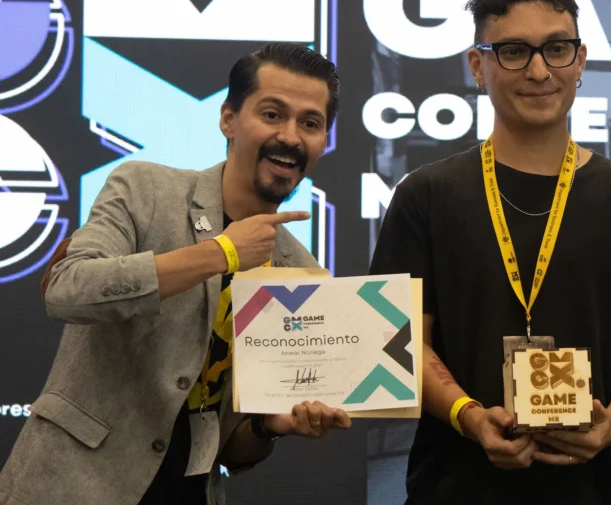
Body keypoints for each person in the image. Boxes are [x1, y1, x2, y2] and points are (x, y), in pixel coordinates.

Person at [368, 0, 611, 505]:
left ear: (581, 60)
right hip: (457, 486)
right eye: (513, 51)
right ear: (478, 65)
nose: (539, 70)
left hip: (602, 489)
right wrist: (470, 416)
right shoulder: (425, 196)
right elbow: (404, 342)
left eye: (557, 48)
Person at [0, 43, 352, 505]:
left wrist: (270, 426)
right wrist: (221, 252)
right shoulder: (145, 188)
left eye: (310, 123)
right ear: (228, 119)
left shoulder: (302, 275)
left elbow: (233, 445)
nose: (290, 136)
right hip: (70, 484)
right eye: (272, 114)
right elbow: (67, 289)